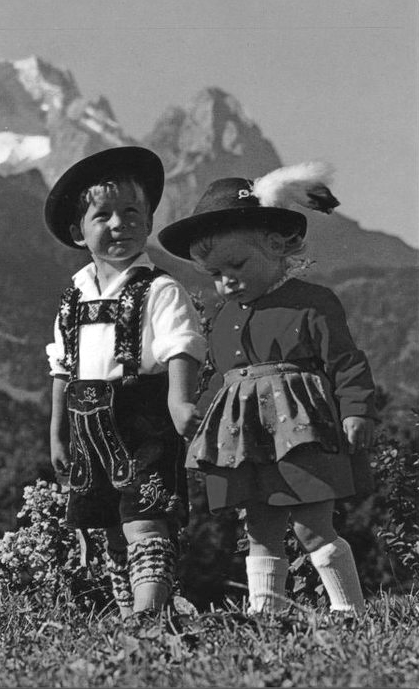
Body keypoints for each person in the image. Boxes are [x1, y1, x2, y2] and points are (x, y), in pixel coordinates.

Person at [158, 162, 377, 616]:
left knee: (312, 523)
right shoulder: (224, 318)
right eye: (215, 273)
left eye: (236, 266)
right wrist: (202, 410)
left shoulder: (311, 303)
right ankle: (267, 611)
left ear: (276, 248)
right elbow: (225, 377)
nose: (226, 281)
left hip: (302, 432)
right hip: (248, 438)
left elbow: (346, 362)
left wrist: (356, 409)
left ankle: (348, 610)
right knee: (259, 523)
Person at [44, 147, 205, 618]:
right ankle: (130, 616)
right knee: (110, 526)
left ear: (150, 219)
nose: (120, 224)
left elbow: (182, 344)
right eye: (103, 215)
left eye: (132, 212)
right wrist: (57, 432)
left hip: (144, 419)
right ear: (78, 232)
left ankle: (147, 619)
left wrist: (180, 401)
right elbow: (63, 365)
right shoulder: (73, 295)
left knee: (146, 520)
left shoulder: (159, 288)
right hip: (87, 424)